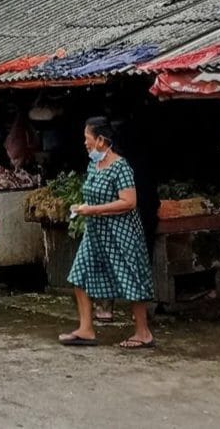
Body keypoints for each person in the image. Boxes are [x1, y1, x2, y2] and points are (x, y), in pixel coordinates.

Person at [60, 117, 155, 350]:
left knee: (131, 280)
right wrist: (82, 207)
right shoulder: (94, 164)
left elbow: (129, 202)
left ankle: (143, 333)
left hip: (121, 234)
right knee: (78, 276)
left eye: (88, 138)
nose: (85, 143)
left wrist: (92, 210)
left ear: (101, 140)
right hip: (95, 233)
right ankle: (86, 328)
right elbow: (94, 194)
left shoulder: (121, 167)